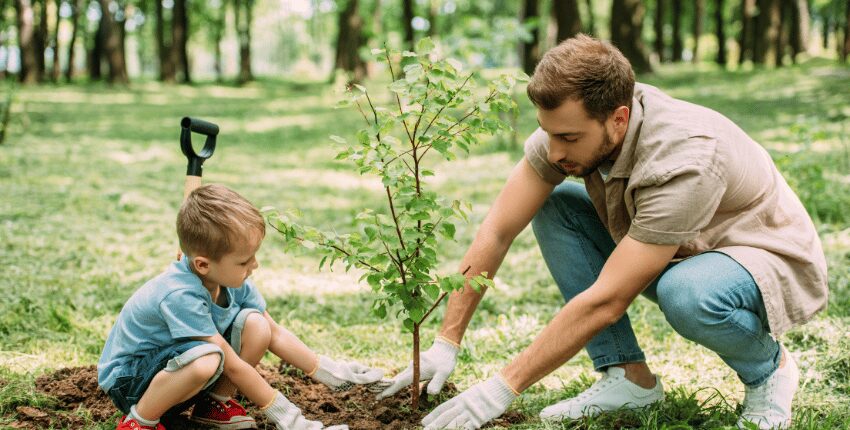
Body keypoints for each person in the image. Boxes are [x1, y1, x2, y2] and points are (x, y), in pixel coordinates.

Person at [378, 35, 828, 430]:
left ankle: (769, 371)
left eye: (569, 139)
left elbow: (609, 300)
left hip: (759, 257)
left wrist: (501, 387)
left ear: (618, 118)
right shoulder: (568, 130)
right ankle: (628, 379)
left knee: (685, 292)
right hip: (679, 245)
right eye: (547, 133)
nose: (554, 152)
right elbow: (497, 229)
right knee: (556, 206)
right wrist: (446, 341)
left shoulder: (685, 159)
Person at [98, 184, 384, 430]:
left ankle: (213, 406)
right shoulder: (179, 294)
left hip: (174, 371)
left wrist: (330, 372)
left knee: (256, 325)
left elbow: (274, 332)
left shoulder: (230, 279)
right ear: (202, 264)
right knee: (207, 358)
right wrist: (291, 419)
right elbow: (232, 366)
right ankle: (139, 421)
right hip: (131, 381)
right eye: (244, 261)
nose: (254, 265)